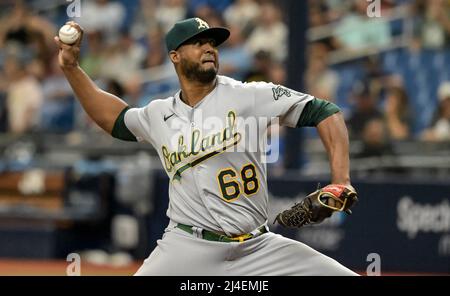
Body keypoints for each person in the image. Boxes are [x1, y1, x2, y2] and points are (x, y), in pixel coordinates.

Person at [55, 18, 358, 276]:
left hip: (257, 247)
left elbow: (325, 111)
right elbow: (115, 119)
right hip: (186, 246)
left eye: (212, 42)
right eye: (198, 42)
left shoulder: (249, 96)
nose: (209, 47)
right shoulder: (159, 114)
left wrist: (340, 180)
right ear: (175, 55)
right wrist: (71, 69)